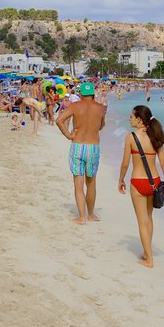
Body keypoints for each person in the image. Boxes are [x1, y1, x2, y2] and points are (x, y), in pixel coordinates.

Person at [117, 105, 164, 267]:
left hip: (138, 182)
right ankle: (147, 251)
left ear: (139, 119)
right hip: (154, 181)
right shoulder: (156, 135)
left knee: (141, 222)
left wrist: (121, 180)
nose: (129, 118)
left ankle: (149, 259)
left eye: (131, 116)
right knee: (148, 218)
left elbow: (125, 164)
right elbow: (163, 163)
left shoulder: (131, 137)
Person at [55, 82, 107, 224]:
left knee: (78, 183)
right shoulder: (101, 108)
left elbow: (59, 120)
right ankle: (91, 214)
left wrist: (68, 135)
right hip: (93, 147)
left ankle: (81, 217)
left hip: (78, 145)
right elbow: (101, 126)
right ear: (93, 94)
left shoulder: (75, 106)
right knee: (91, 183)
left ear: (81, 94)